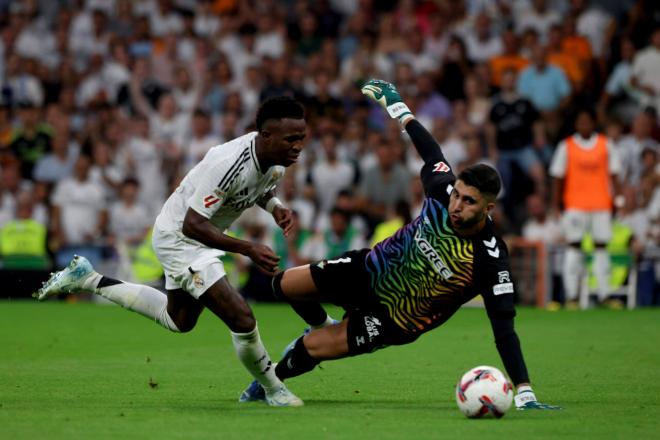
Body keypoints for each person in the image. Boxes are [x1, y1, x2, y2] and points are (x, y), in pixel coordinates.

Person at [240, 79, 560, 411]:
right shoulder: (441, 190)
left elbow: (503, 327)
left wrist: (524, 390)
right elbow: (431, 151)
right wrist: (400, 109)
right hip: (369, 270)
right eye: (457, 195)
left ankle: (270, 382)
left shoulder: (490, 259)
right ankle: (323, 323)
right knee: (284, 285)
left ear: (487, 209)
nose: (457, 205)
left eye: (468, 202)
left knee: (310, 348)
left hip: (395, 319)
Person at [34, 97, 309, 407]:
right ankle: (273, 389)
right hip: (181, 236)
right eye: (291, 139)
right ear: (266, 135)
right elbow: (193, 225)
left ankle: (88, 278)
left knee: (179, 319)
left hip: (202, 235)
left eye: (301, 137)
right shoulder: (228, 163)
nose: (298, 146)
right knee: (242, 318)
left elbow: (257, 186)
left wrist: (275, 207)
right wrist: (248, 249)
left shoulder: (276, 160)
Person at [549, 108, 623, 306]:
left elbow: (615, 175)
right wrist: (556, 204)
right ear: (576, 124)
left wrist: (618, 200)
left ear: (593, 123)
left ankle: (604, 295)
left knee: (601, 248)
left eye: (587, 121)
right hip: (575, 204)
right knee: (574, 247)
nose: (584, 125)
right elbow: (557, 176)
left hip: (601, 203)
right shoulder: (567, 146)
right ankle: (572, 297)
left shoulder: (605, 144)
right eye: (581, 122)